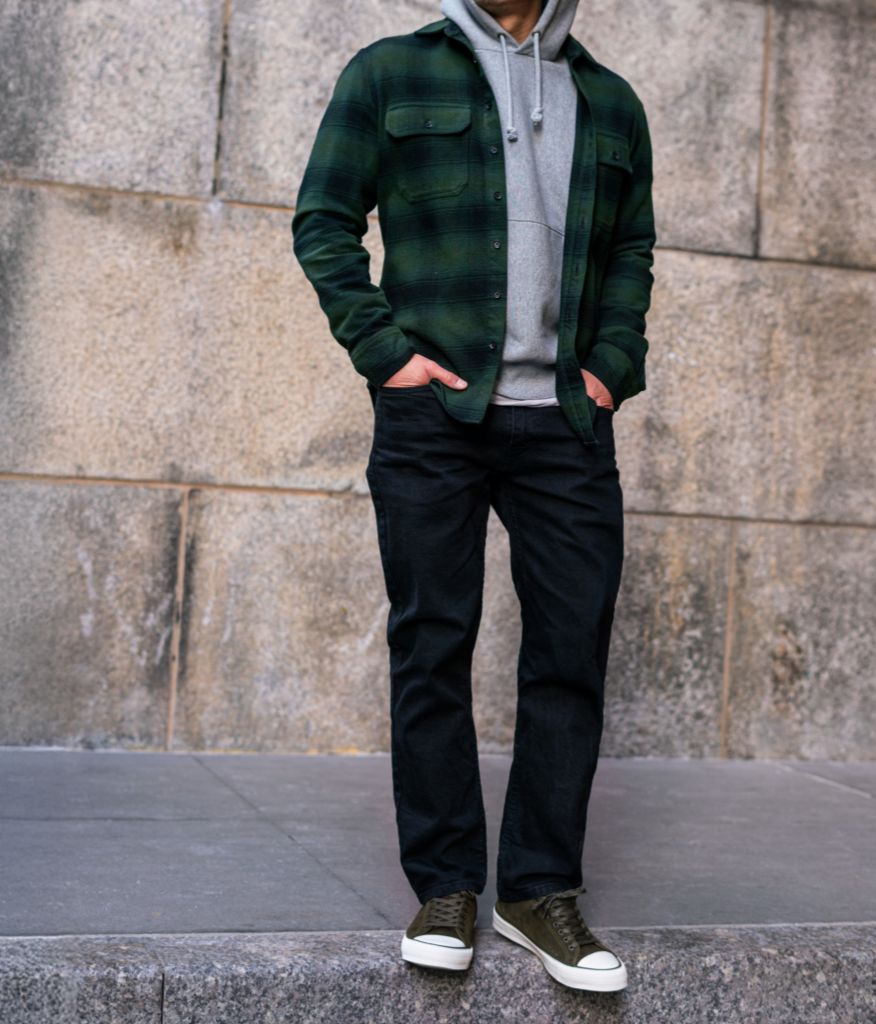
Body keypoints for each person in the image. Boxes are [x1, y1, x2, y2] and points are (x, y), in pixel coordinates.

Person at [292, 0, 655, 994]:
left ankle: (538, 891)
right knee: (432, 639)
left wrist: (612, 365)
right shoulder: (389, 73)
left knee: (570, 650)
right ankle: (446, 885)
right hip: (435, 416)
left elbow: (631, 250)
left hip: (567, 422)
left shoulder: (610, 102)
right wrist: (384, 353)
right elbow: (324, 218)